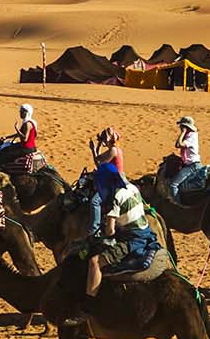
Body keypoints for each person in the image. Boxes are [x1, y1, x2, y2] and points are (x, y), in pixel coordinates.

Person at [82, 161, 157, 297]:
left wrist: (101, 233)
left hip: (133, 240)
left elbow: (110, 231)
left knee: (95, 262)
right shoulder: (132, 187)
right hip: (146, 233)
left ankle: (89, 302)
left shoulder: (115, 197)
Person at [165, 116, 203, 201]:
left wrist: (182, 133)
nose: (180, 128)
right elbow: (177, 144)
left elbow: (179, 144)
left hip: (192, 166)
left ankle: (176, 204)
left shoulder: (191, 136)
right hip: (190, 164)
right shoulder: (188, 135)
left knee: (173, 185)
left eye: (181, 126)